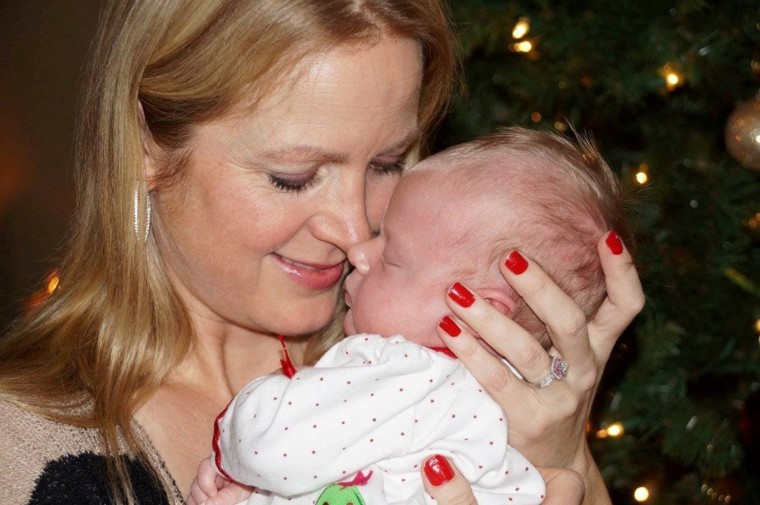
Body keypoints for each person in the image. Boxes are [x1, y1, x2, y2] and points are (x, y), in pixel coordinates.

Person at [0, 1, 644, 504]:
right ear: (147, 146)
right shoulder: (24, 447)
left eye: (389, 164)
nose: (356, 229)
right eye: (293, 175)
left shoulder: (427, 375)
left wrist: (564, 459)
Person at [191, 127, 628, 505]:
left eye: (386, 162)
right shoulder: (486, 418)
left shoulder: (404, 370)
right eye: (293, 176)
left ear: (478, 315)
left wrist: (236, 444)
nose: (358, 247)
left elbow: (274, 447)